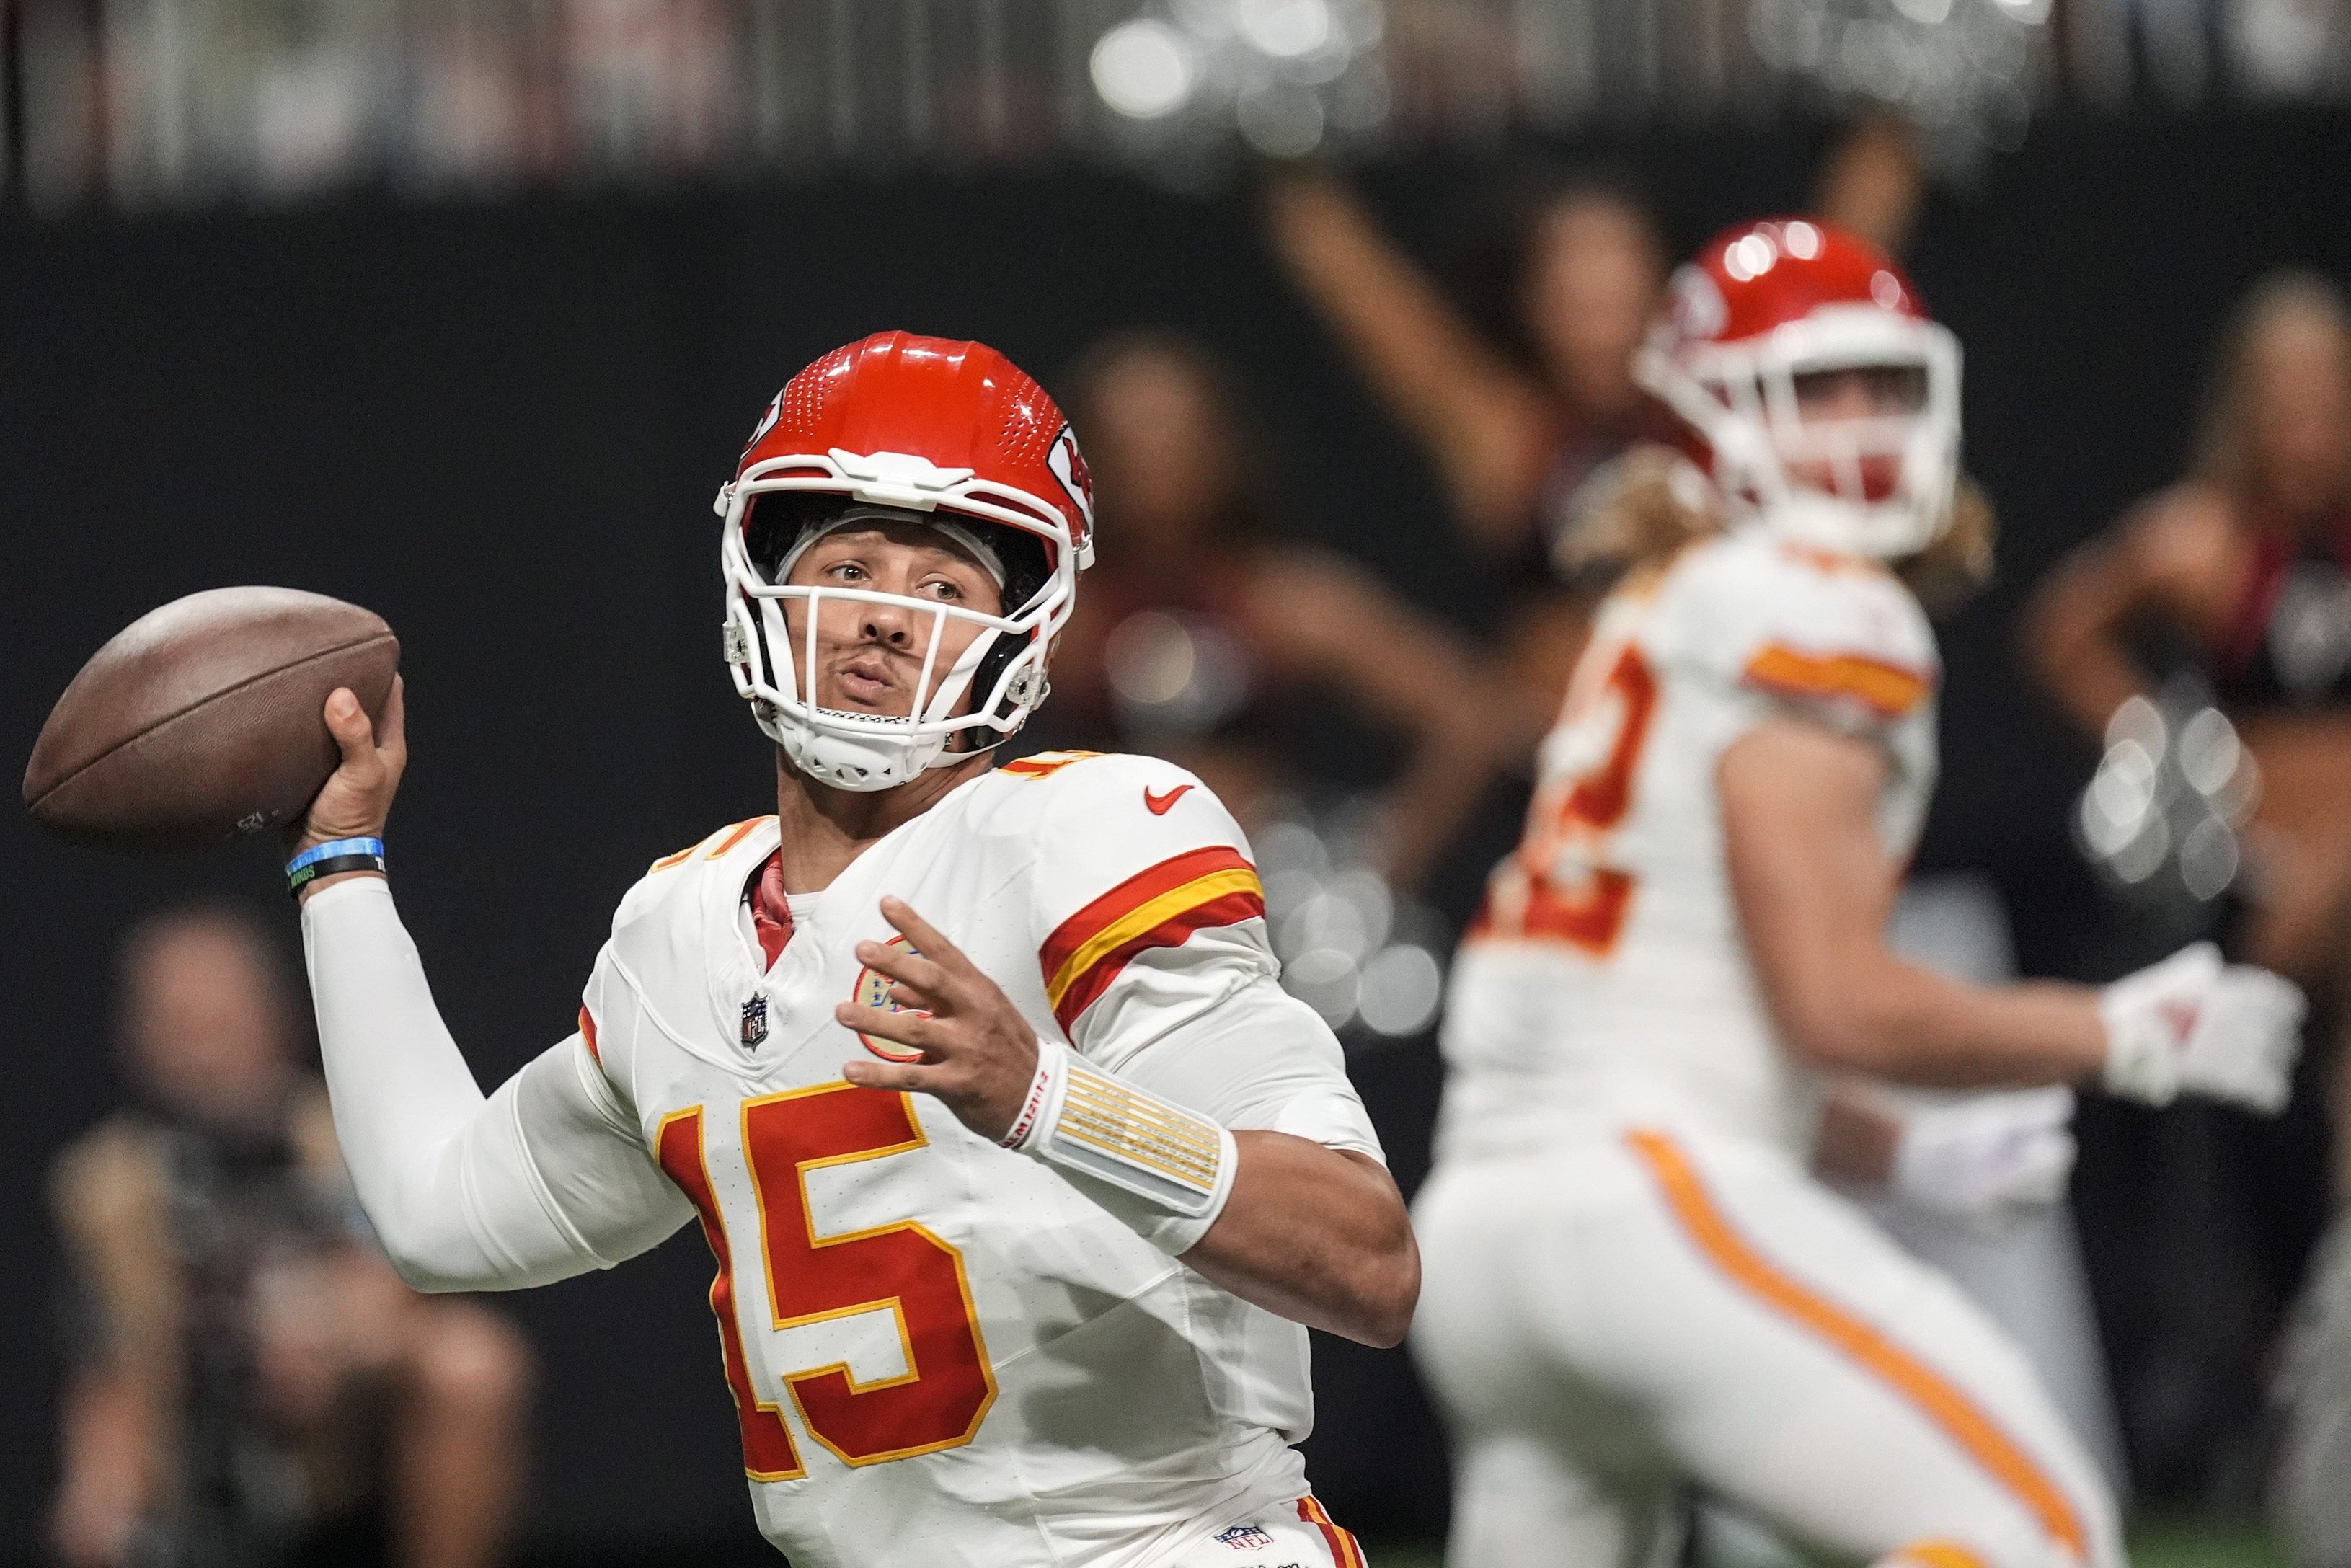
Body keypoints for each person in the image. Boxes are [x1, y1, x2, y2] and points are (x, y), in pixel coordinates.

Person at [283, 331, 1417, 1568]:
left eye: (943, 589)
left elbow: (1364, 1259)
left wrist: (1042, 1097)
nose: (885, 618)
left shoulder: (1084, 837)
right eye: (850, 565)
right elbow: (437, 1211)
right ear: (760, 581)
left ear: (1020, 633)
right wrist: (340, 870)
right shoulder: (679, 933)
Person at [1409, 220, 2306, 1568]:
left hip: (1488, 1242)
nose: (1859, 426)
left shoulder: (1654, 610)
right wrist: (2124, 1034)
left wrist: (1906, 1152)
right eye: (1809, 389)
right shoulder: (1818, 603)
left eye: (1879, 386)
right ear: (1709, 416)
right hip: (1644, 1208)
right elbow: (1832, 1000)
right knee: (2030, 1529)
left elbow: (1689, 1004)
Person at [2025, 272, 2351, 1504]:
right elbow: (2061, 629)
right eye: (2286, 401)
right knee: (2264, 1104)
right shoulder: (2199, 541)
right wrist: (2165, 757)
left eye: (2329, 396)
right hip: (2263, 885)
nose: (2309, 426)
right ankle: (2275, 1380)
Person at [48, 905, 531, 1568]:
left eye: (224, 1026)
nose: (207, 1055)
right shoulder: (107, 1186)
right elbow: (106, 1359)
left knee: (468, 1362)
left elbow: (402, 1283)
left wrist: (338, 1343)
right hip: (195, 1451)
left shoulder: (344, 1140)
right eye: (183, 1030)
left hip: (339, 1440)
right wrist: (100, 1496)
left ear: (279, 1019)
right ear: (139, 1038)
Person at [1035, 329, 1495, 891]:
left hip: (1261, 906)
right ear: (1086, 461)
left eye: (1177, 435)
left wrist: (1370, 869)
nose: (1156, 459)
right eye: (1128, 438)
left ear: (1222, 449)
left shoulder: (1285, 598)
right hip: (1095, 904)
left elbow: (1466, 715)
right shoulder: (1059, 614)